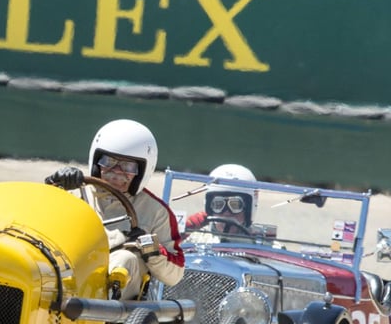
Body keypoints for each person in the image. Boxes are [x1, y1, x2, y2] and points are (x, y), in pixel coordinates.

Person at [45, 119, 185, 299]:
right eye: (109, 161)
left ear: (143, 170)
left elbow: (175, 275)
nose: (117, 171)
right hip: (67, 275)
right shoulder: (71, 192)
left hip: (116, 305)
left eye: (128, 166)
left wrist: (149, 246)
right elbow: (37, 225)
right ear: (96, 162)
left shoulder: (156, 212)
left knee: (125, 259)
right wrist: (53, 186)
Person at [183, 163, 259, 241]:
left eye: (235, 205)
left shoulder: (261, 242)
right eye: (218, 204)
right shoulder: (194, 239)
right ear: (210, 207)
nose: (226, 213)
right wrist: (182, 230)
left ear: (248, 208)